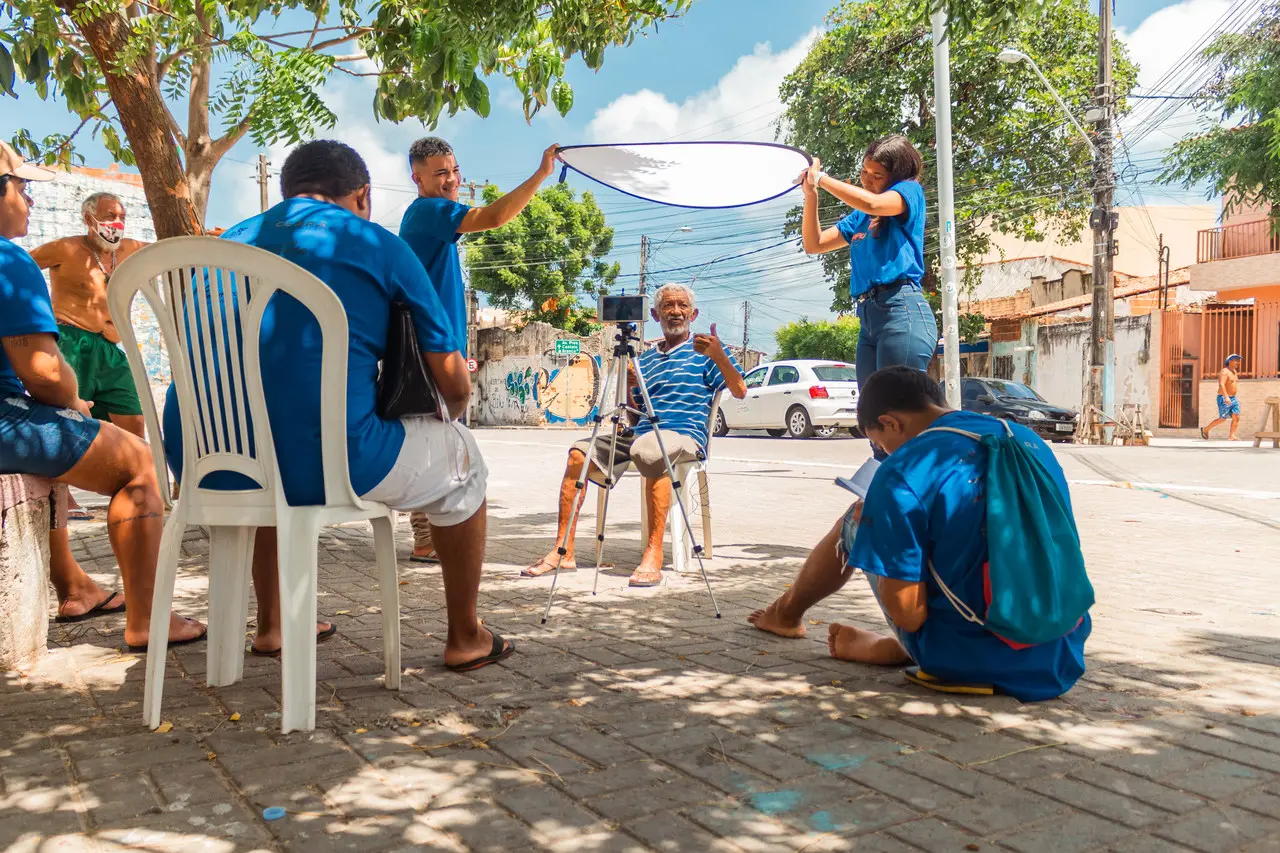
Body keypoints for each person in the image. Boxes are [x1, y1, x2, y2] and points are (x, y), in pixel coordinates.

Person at [161, 140, 511, 671]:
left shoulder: (226, 244)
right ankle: (466, 635)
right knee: (462, 459)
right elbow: (453, 384)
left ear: (285, 193)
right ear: (363, 196)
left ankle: (275, 624)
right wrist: (448, 416)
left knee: (266, 447)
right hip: (328, 462)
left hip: (204, 462)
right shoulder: (374, 242)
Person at [749, 366, 1090, 702]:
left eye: (880, 444)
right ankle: (890, 646)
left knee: (855, 521)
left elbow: (908, 615)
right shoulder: (1027, 440)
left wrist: (878, 530)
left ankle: (785, 615)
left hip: (967, 658)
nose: (883, 454)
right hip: (1059, 652)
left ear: (890, 422)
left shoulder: (905, 469)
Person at [0, 140, 205, 649]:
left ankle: (75, 586)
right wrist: (69, 400)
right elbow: (45, 373)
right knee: (140, 462)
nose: (29, 199)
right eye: (21, 187)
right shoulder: (18, 258)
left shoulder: (129, 250)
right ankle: (149, 619)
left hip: (109, 352)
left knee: (115, 434)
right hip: (35, 385)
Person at [398, 136, 560, 563]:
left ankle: (427, 536)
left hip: (436, 343)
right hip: (431, 348)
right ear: (416, 177)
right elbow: (492, 216)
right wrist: (541, 174)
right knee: (441, 439)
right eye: (440, 174)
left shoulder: (429, 217)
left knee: (436, 438)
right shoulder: (430, 211)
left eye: (454, 170)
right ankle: (428, 536)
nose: (452, 180)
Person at [524, 283, 747, 587]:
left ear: (693, 313)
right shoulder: (645, 360)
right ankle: (564, 550)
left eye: (682, 306)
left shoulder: (705, 351)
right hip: (641, 434)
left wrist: (720, 356)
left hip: (681, 436)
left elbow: (740, 390)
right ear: (656, 315)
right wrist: (630, 387)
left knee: (650, 450)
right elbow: (634, 416)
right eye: (668, 306)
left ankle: (654, 552)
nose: (676, 311)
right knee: (579, 453)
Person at [798, 136, 938, 459]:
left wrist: (821, 177)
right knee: (875, 425)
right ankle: (882, 499)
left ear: (896, 177)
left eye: (877, 176)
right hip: (870, 319)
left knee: (899, 421)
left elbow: (874, 204)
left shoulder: (909, 193)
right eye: (864, 173)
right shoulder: (859, 218)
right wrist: (811, 195)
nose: (868, 181)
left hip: (902, 310)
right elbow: (815, 243)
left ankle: (919, 498)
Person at [29, 192, 149, 440]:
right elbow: (18, 267)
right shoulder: (66, 248)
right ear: (89, 218)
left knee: (134, 421)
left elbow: (167, 251)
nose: (117, 222)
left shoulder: (128, 249)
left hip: (110, 348)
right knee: (69, 423)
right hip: (72, 341)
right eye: (110, 216)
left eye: (122, 217)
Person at [1202, 354, 1242, 441]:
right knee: (1222, 419)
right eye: (1236, 360)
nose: (1238, 362)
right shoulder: (1224, 371)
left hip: (1233, 398)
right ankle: (1206, 429)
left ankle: (1232, 436)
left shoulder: (1234, 372)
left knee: (1236, 416)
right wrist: (1226, 397)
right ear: (1230, 361)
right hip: (1224, 397)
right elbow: (1221, 384)